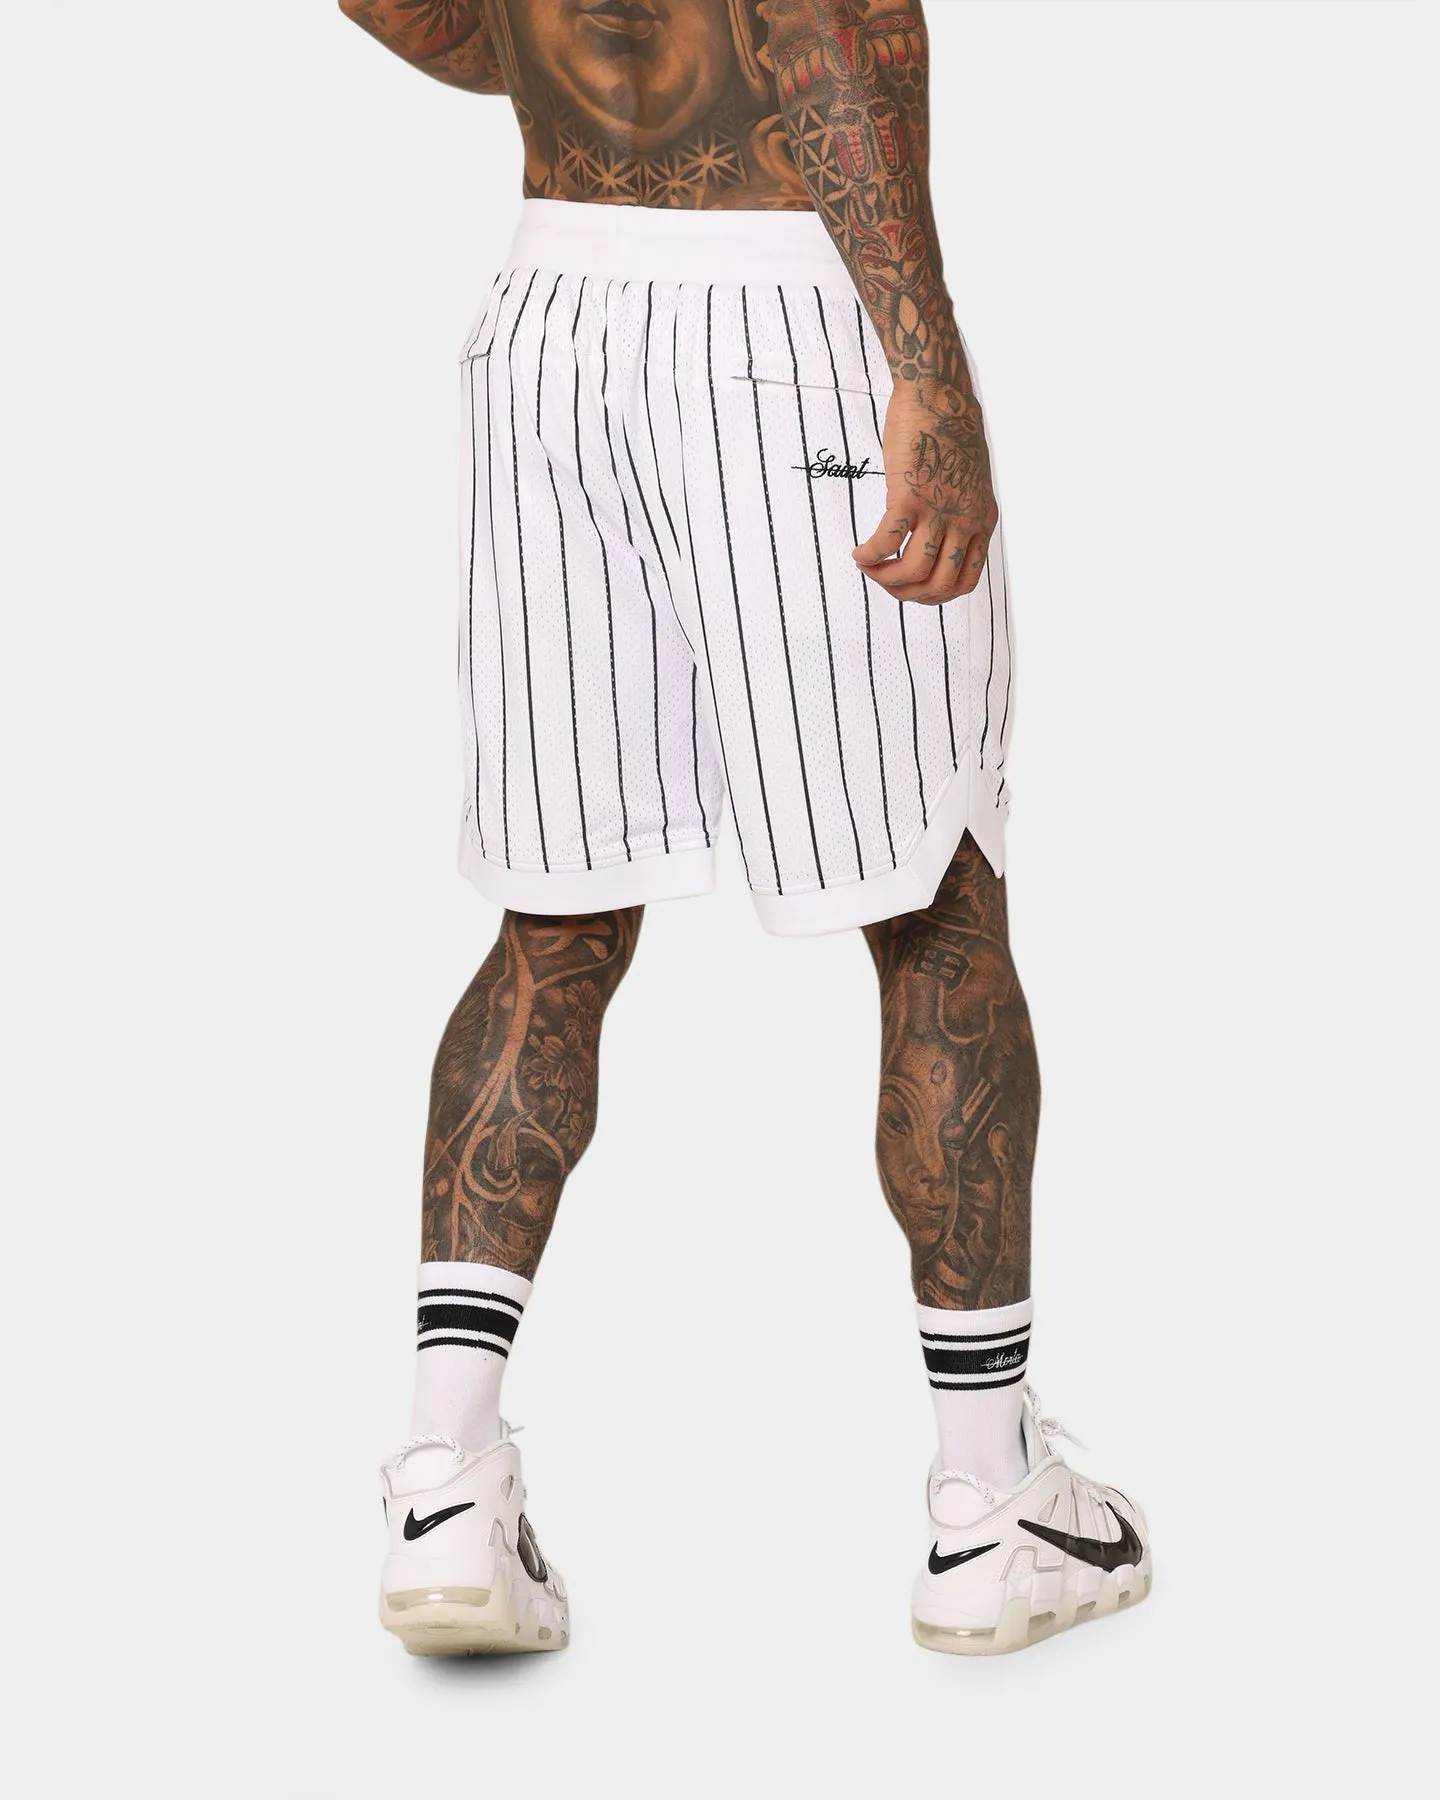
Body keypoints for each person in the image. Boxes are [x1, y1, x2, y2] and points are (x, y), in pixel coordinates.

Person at [340, 0, 1150, 1658]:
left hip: (554, 313)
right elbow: (819, 20)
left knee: (553, 919)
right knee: (934, 900)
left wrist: (580, 58)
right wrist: (925, 362)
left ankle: (443, 1482)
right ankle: (991, 1506)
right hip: (788, 314)